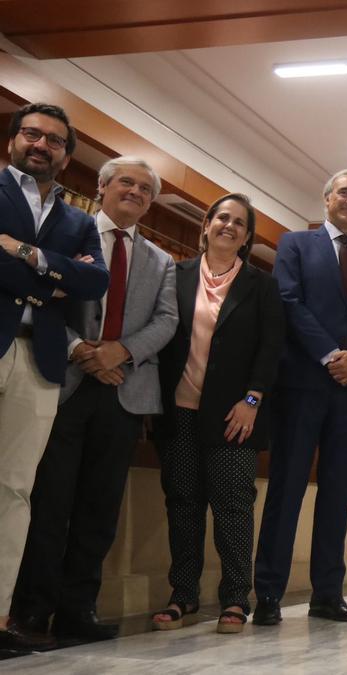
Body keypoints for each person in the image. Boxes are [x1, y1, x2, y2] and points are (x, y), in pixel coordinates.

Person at [11, 157, 177, 643]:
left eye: (146, 189)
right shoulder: (66, 235)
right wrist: (80, 349)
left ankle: (77, 610)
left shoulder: (162, 261)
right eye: (126, 182)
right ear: (102, 186)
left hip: (123, 393)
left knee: (99, 508)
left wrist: (119, 352)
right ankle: (30, 610)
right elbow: (36, 295)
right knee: (48, 502)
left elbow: (166, 322)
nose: (136, 192)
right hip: (60, 383)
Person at [253, 170, 347, 625]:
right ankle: (269, 593)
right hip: (303, 385)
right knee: (287, 489)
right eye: (344, 192)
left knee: (338, 495)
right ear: (327, 199)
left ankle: (327, 594)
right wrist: (333, 354)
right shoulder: (295, 244)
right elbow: (289, 302)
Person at [0, 103, 109, 651]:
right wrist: (56, 277)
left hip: (40, 361)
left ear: (66, 156)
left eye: (55, 141)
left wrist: (21, 252)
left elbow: (95, 283)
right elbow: (73, 280)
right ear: (14, 139)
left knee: (14, 491)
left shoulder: (80, 219)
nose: (41, 145)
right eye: (32, 134)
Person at [152, 193, 284, 634]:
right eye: (222, 217)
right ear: (206, 224)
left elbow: (270, 350)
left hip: (235, 415)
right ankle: (183, 596)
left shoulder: (261, 284)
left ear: (247, 236)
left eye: (240, 223)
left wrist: (252, 401)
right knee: (183, 504)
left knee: (232, 506)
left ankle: (234, 599)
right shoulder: (176, 274)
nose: (229, 226)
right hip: (179, 412)